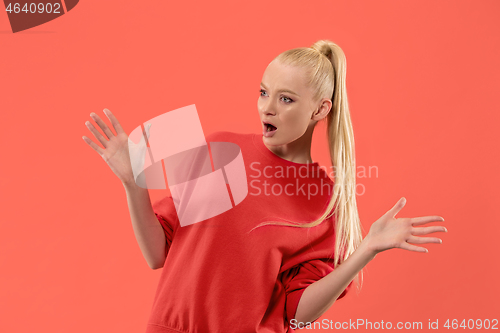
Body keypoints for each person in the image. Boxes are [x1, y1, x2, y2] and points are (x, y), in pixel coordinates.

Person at [82, 40, 447, 333]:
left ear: (320, 110)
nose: (266, 108)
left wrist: (365, 250)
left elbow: (297, 315)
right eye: (263, 92)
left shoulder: (325, 203)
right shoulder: (219, 149)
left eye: (285, 99)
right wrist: (133, 184)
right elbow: (157, 254)